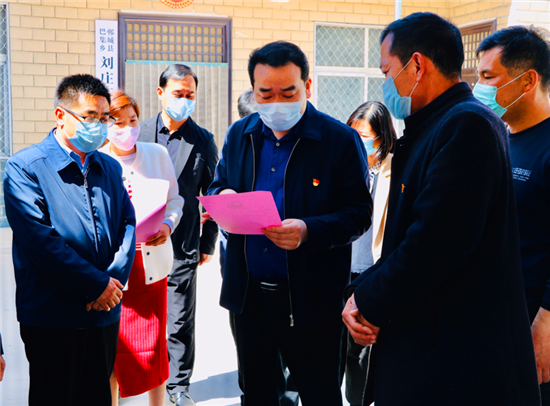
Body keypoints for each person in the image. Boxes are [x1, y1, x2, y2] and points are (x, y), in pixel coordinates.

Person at [342, 12, 541, 406]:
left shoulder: (466, 126)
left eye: (387, 71)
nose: (385, 84)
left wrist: (368, 301)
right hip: (431, 345)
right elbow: (407, 238)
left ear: (417, 65)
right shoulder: (433, 127)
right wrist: (358, 293)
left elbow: (435, 244)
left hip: (455, 359)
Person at [207, 40, 372, 406]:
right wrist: (224, 196)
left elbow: (359, 213)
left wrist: (309, 231)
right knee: (258, 394)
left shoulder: (339, 140)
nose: (276, 103)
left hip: (311, 300)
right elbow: (219, 184)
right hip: (249, 297)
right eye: (265, 94)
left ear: (307, 87)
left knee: (319, 394)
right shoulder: (240, 134)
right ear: (253, 90)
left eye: (288, 93)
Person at [3, 74, 136, 406]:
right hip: (53, 314)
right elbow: (40, 241)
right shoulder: (26, 167)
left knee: (98, 396)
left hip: (104, 313)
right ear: (61, 115)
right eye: (90, 117)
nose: (99, 126)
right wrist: (96, 284)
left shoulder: (109, 167)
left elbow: (127, 223)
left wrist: (112, 281)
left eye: (104, 118)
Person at [474, 25, 550, 404]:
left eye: (489, 77)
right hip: (496, 322)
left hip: (535, 326)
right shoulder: (501, 138)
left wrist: (546, 322)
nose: (479, 87)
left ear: (528, 80)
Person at [138, 64, 219, 406]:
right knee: (141, 316)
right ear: (160, 93)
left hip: (182, 244)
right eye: (177, 94)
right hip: (139, 244)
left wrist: (207, 242)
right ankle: (140, 375)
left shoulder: (203, 140)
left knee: (180, 319)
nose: (184, 100)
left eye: (190, 95)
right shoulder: (139, 134)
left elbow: (212, 195)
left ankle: (179, 385)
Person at [101, 91, 184, 406]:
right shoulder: (98, 160)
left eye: (132, 120)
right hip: (115, 268)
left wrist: (167, 226)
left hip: (150, 263)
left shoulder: (157, 154)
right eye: (117, 122)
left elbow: (175, 199)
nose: (127, 128)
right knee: (113, 345)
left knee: (154, 343)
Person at [344, 101, 396, 406]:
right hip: (337, 270)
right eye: (352, 134)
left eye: (364, 137)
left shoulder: (394, 169)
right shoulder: (342, 165)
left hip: (369, 274)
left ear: (382, 138)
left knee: (359, 355)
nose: (357, 142)